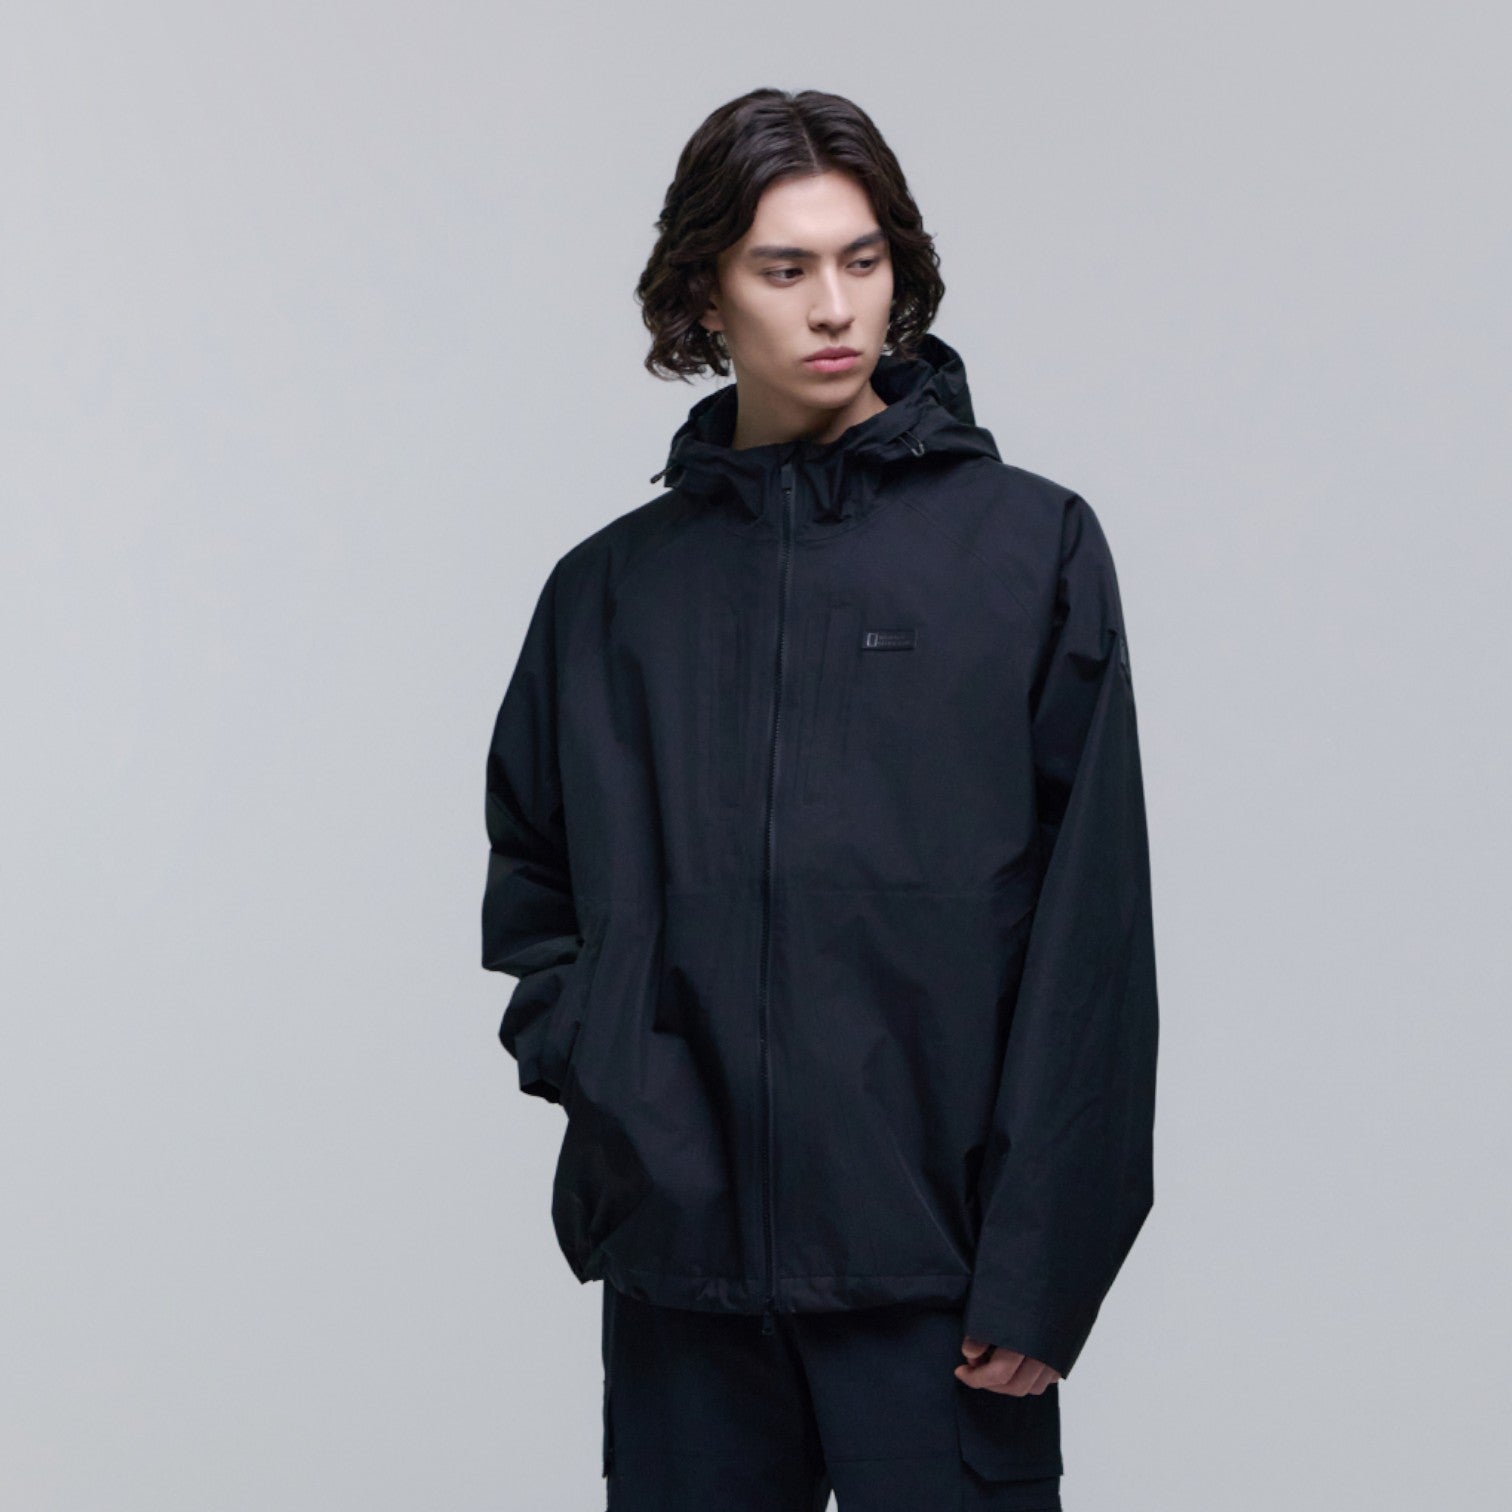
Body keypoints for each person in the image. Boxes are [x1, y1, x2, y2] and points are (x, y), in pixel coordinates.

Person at [480, 86, 1159, 1511]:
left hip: (944, 1285)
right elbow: (535, 891)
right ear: (706, 296)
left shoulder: (1028, 552)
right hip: (685, 1285)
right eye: (783, 269)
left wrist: (1043, 1267)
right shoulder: (609, 593)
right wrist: (620, 1099)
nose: (834, 305)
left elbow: (1093, 940)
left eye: (862, 260)